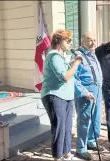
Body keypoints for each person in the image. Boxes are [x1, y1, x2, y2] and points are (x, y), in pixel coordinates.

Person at [41, 29, 82, 161]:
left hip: (67, 97)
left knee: (67, 127)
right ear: (59, 41)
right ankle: (57, 157)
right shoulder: (53, 56)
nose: (70, 43)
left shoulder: (61, 57)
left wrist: (71, 63)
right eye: (68, 40)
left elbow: (65, 70)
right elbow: (64, 77)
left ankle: (67, 155)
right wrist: (76, 63)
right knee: (59, 128)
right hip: (54, 96)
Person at [71, 32, 104, 160]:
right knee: (84, 120)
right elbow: (74, 79)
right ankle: (81, 148)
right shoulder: (77, 56)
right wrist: (85, 92)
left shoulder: (92, 54)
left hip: (97, 90)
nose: (93, 43)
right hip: (86, 92)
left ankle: (91, 141)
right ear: (83, 41)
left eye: (95, 40)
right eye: (90, 40)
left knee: (96, 117)